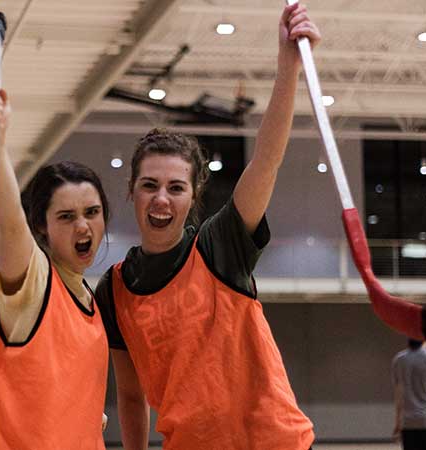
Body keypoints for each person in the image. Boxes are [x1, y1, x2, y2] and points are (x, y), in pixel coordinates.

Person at [94, 3, 320, 449]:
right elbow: (131, 394)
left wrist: (287, 67)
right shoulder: (114, 289)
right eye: (150, 185)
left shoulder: (220, 246)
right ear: (132, 191)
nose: (161, 198)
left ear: (193, 196)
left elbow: (267, 161)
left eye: (176, 188)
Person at [0, 87, 109, 449]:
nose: (82, 226)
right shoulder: (35, 282)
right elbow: (10, 225)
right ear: (42, 226)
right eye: (66, 216)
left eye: (92, 212)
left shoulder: (90, 300)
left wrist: (86, 414)